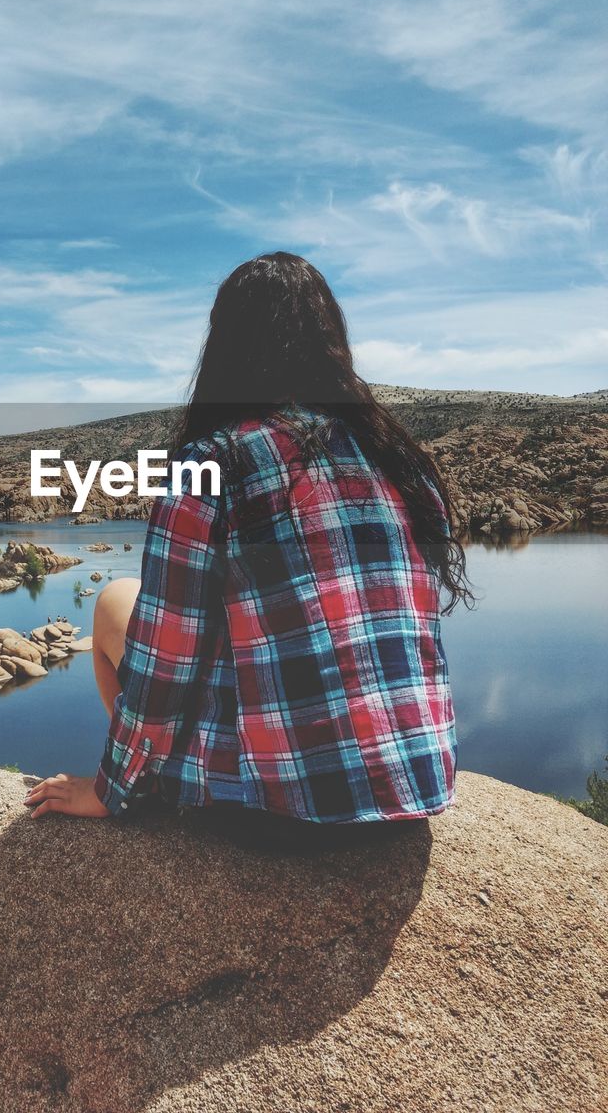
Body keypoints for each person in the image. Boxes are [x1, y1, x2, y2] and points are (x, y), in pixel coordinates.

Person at [24, 251, 473, 827]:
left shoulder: (213, 461)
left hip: (281, 809)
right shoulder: (394, 458)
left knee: (116, 601)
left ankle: (146, 785)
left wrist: (111, 789)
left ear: (225, 347)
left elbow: (168, 658)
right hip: (417, 783)